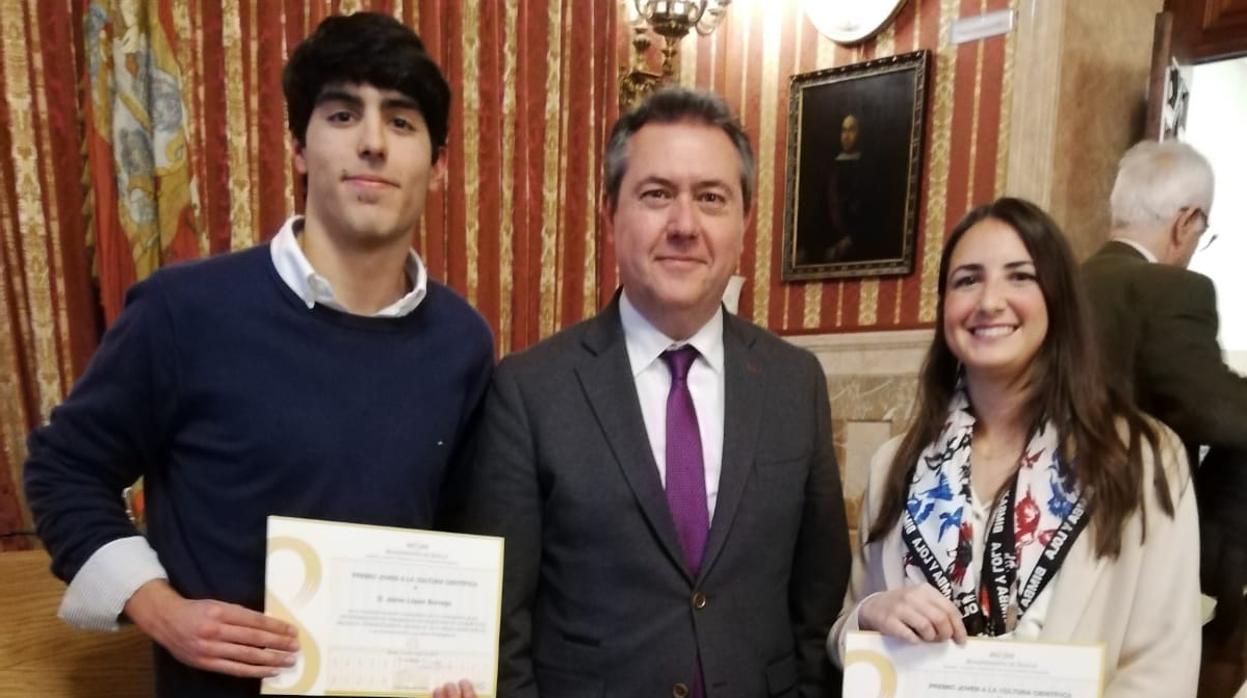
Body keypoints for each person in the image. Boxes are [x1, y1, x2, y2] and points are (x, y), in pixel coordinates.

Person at [23, 13, 492, 698]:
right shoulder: (184, 311)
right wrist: (160, 608)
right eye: (341, 115)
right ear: (300, 147)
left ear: (437, 162)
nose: (371, 144)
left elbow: (457, 534)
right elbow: (63, 470)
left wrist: (454, 661)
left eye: (400, 121)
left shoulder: (463, 343)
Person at [465, 87, 851, 697]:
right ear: (610, 212)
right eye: (656, 194)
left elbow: (818, 597)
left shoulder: (794, 383)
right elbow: (500, 628)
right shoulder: (530, 390)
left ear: (744, 222)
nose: (684, 225)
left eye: (711, 198)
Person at [828, 198, 1200, 696]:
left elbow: (1162, 668)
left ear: (1057, 297)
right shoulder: (898, 462)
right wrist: (869, 615)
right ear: (944, 308)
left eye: (1020, 276)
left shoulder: (1142, 457)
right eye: (967, 280)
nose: (989, 301)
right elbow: (846, 639)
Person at [1082, 139, 1247, 636]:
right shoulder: (1174, 289)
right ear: (1186, 221)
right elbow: (1216, 412)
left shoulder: (1059, 284)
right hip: (1143, 540)